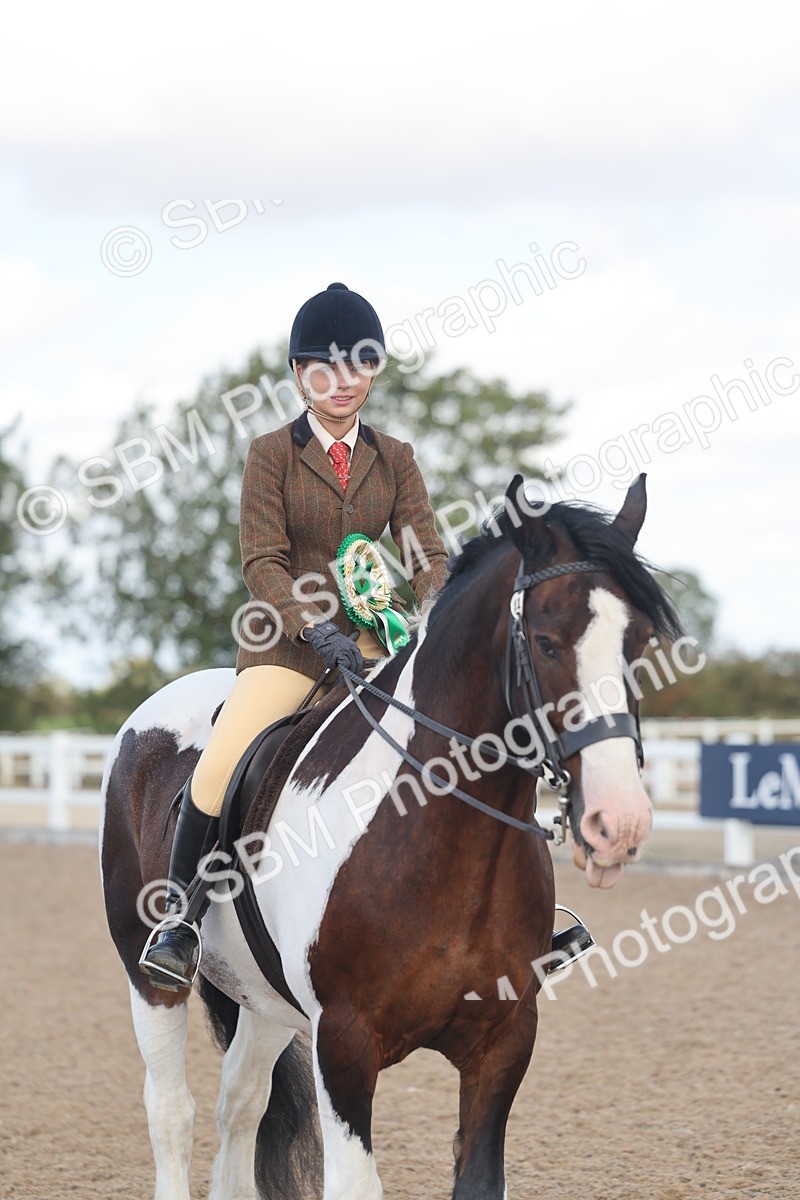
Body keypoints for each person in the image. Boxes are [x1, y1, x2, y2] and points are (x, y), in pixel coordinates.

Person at [140, 282, 449, 991]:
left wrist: (440, 605)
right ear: (299, 373)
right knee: (217, 768)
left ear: (374, 371)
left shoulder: (395, 457)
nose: (342, 383)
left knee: (458, 729)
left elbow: (424, 552)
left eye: (358, 367)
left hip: (376, 643)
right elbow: (262, 562)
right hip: (286, 649)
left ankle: (513, 912)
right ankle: (180, 921)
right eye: (324, 368)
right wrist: (313, 626)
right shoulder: (271, 454)